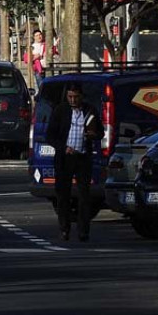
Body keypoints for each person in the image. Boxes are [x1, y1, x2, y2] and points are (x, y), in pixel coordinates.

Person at [45, 83, 103, 242]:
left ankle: (83, 231)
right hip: (65, 158)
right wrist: (63, 148)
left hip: (83, 157)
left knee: (84, 195)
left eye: (76, 97)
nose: (73, 100)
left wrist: (92, 134)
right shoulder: (61, 111)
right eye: (70, 96)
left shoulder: (89, 110)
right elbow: (50, 136)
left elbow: (100, 132)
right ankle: (64, 229)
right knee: (63, 194)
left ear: (81, 96)